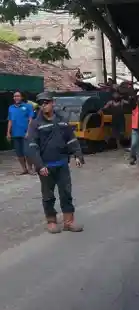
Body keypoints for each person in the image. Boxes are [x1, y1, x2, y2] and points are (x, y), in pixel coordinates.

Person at [27, 91, 85, 233]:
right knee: (48, 196)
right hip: (46, 167)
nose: (43, 106)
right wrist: (39, 166)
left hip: (62, 164)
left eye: (46, 103)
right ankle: (51, 221)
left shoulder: (62, 120)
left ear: (53, 103)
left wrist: (78, 155)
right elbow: (32, 147)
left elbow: (71, 139)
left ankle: (68, 222)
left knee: (66, 193)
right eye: (41, 104)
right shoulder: (35, 124)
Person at [6, 90, 35, 175]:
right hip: (15, 133)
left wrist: (28, 131)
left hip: (26, 133)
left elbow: (31, 120)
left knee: (28, 152)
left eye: (18, 96)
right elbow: (10, 121)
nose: (16, 98)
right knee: (19, 153)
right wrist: (8, 132)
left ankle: (30, 168)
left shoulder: (28, 106)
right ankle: (24, 169)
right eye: (15, 96)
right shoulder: (11, 107)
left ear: (22, 97)